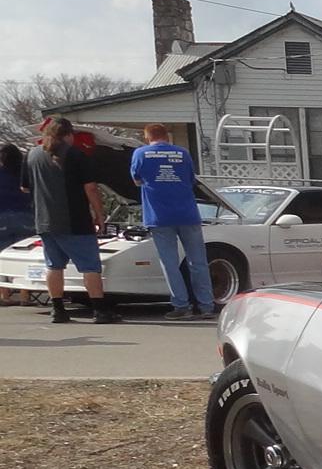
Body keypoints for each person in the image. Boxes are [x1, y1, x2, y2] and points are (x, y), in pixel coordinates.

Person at [22, 118, 114, 325]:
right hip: (75, 220)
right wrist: (99, 214)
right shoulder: (76, 155)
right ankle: (99, 310)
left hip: (45, 220)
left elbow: (25, 187)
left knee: (54, 266)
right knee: (90, 266)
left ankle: (58, 309)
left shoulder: (32, 155)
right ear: (69, 135)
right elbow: (90, 188)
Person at [130, 124, 215, 319]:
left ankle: (181, 305)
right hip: (188, 214)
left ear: (147, 137)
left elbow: (136, 180)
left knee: (169, 262)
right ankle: (206, 306)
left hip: (159, 216)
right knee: (198, 262)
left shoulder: (141, 154)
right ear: (167, 136)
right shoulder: (183, 153)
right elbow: (191, 179)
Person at [0, 145, 32, 307]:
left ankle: (4, 294)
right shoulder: (25, 174)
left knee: (2, 256)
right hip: (25, 216)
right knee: (23, 256)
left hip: (2, 216)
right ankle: (25, 295)